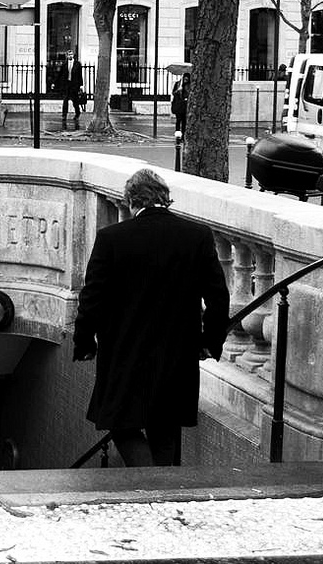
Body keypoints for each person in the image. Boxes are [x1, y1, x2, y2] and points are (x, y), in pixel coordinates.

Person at [73, 167, 229, 467]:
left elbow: (91, 299)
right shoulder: (196, 236)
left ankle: (148, 481)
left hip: (125, 351)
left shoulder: (112, 239)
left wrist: (84, 343)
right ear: (165, 199)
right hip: (177, 353)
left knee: (120, 423)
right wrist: (210, 342)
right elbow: (218, 297)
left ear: (132, 201)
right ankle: (165, 491)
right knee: (166, 428)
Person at [60, 51, 86, 130]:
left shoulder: (78, 64)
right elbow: (60, 74)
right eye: (68, 54)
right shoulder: (64, 64)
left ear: (73, 55)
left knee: (75, 101)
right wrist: (55, 83)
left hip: (74, 85)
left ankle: (77, 113)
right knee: (65, 100)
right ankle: (64, 115)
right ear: (67, 56)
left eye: (71, 54)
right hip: (67, 84)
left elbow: (80, 75)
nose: (70, 56)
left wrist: (81, 85)